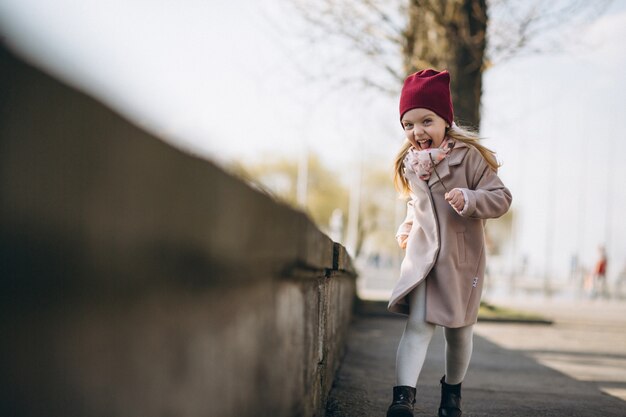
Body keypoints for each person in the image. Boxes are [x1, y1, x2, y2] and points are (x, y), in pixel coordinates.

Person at [386, 69, 512, 417]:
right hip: (423, 259)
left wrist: (471, 199)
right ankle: (402, 399)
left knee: (458, 333)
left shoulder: (468, 158)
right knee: (418, 326)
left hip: (461, 260)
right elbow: (418, 204)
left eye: (426, 120)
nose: (417, 132)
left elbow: (501, 198)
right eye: (408, 125)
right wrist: (408, 225)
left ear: (446, 119)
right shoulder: (413, 164)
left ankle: (451, 398)